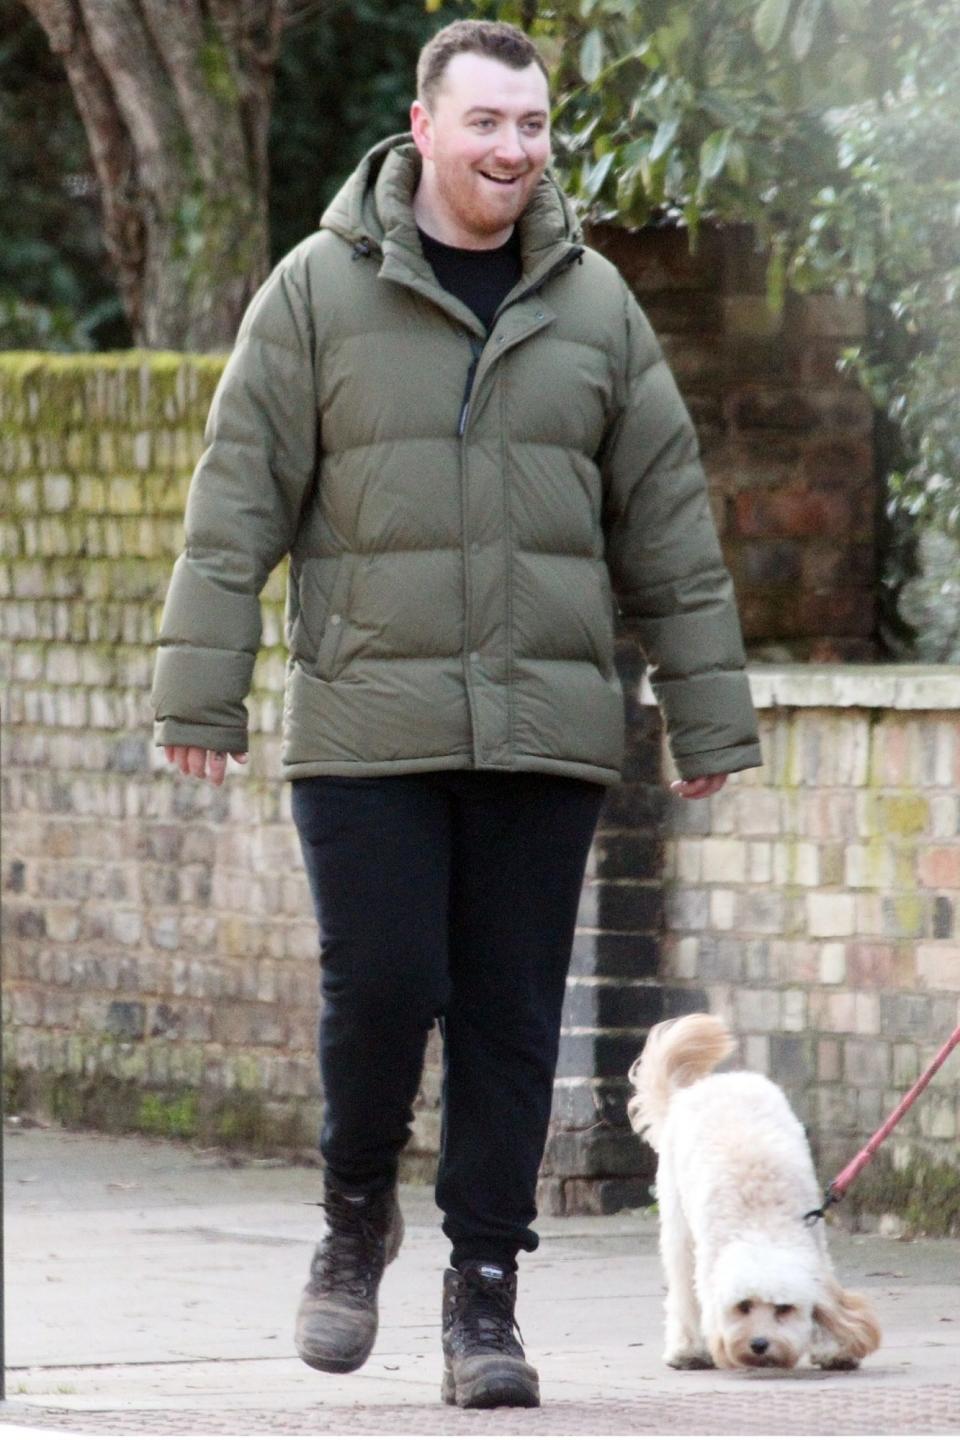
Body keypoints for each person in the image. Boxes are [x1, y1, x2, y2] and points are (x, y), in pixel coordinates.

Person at [152, 18, 761, 1411]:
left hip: (545, 729)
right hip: (368, 719)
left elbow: (668, 519)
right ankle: (354, 1212)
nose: (512, 149)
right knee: (384, 990)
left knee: (507, 1020)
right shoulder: (315, 291)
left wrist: (708, 713)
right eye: (486, 122)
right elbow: (235, 497)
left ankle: (484, 1299)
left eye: (532, 125)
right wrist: (203, 688)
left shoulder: (596, 302)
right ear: (422, 128)